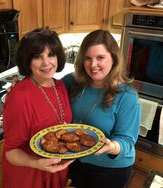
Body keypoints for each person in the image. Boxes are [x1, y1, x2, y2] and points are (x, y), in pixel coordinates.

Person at [62, 29, 141, 188]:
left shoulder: (127, 97)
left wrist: (111, 147)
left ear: (114, 58)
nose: (93, 65)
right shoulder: (73, 81)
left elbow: (126, 141)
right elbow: (47, 89)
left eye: (100, 58)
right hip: (76, 160)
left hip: (109, 168)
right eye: (88, 58)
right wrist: (25, 85)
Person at [2, 28, 74, 188]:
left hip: (56, 170)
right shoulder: (19, 96)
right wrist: (36, 163)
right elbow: (11, 151)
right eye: (37, 57)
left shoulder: (60, 86)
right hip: (29, 175)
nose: (46, 63)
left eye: (51, 55)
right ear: (27, 61)